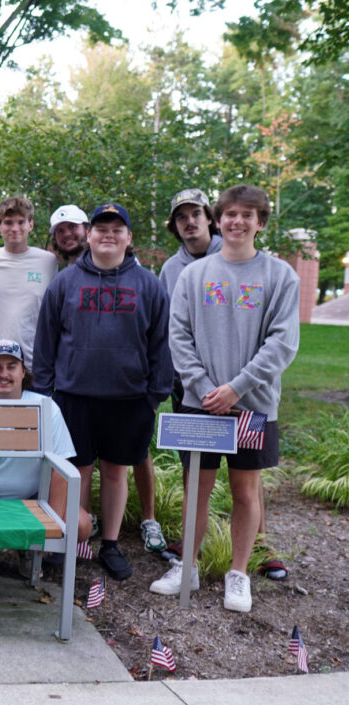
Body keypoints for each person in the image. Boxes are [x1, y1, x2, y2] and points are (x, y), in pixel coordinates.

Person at [150, 185, 299, 613]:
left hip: (252, 406)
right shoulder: (194, 276)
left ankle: (238, 574)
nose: (238, 222)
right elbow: (177, 335)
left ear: (261, 223)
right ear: (219, 220)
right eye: (230, 214)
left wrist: (236, 388)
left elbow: (282, 343)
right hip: (200, 404)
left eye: (247, 215)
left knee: (245, 490)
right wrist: (201, 387)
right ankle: (188, 566)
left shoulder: (280, 276)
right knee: (196, 485)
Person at [33, 203, 171, 581]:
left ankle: (109, 543)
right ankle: (76, 540)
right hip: (75, 396)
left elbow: (160, 345)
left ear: (129, 238)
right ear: (89, 235)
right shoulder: (65, 282)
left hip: (128, 399)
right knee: (77, 472)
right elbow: (45, 343)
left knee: (115, 472)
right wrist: (45, 396)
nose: (108, 235)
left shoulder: (148, 285)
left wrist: (153, 397)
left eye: (117, 229)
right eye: (100, 229)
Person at [0, 340, 92, 580]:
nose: (4, 374)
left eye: (11, 366)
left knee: (81, 524)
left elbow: (61, 469)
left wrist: (50, 526)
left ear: (23, 372)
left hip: (34, 498)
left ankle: (29, 548)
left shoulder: (46, 407)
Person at [0, 195, 58, 389]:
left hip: (32, 365)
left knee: (32, 420)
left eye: (21, 222)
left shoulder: (48, 262)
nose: (15, 228)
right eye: (8, 222)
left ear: (31, 224)